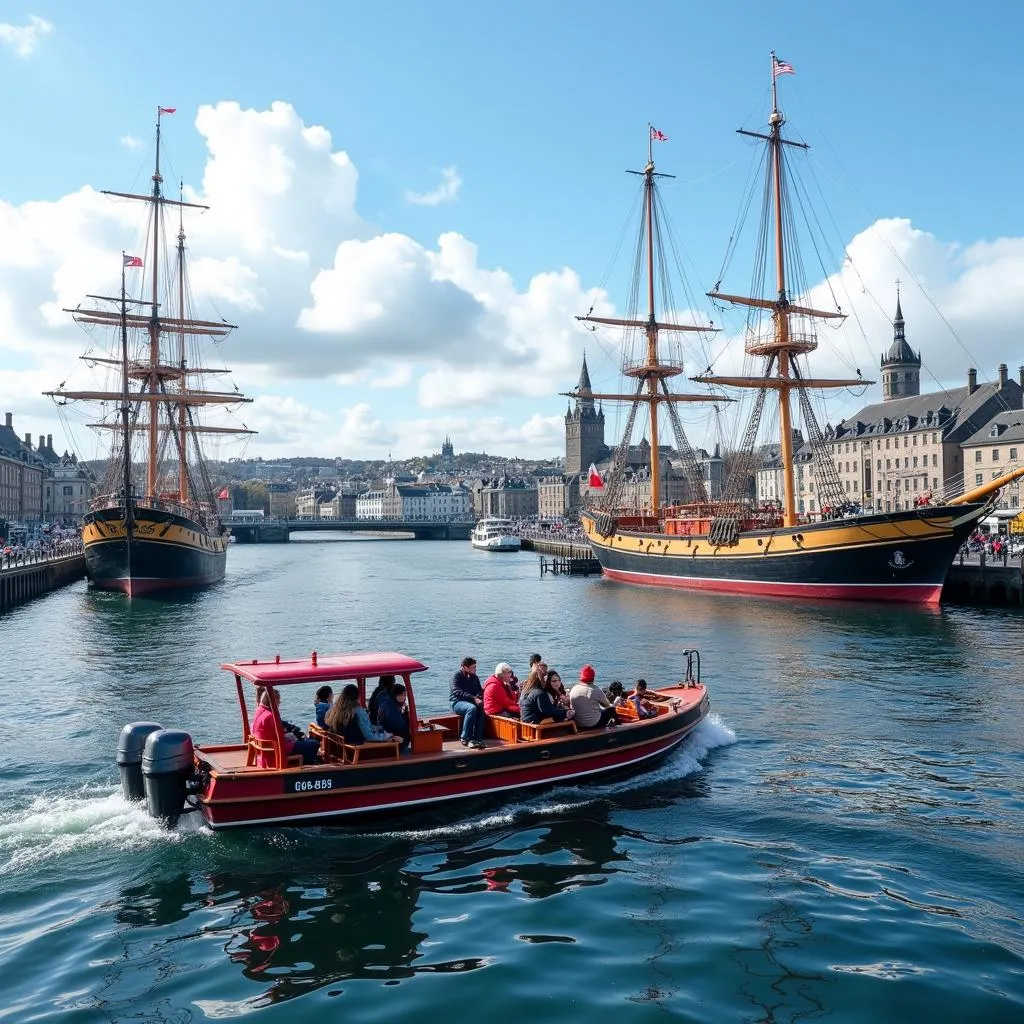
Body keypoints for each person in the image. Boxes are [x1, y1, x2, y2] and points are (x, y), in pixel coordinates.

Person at [252, 686, 321, 766]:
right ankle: (308, 767)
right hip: (278, 750)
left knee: (304, 742)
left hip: (268, 749)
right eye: (278, 700)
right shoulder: (270, 716)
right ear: (273, 701)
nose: (279, 703)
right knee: (313, 744)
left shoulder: (259, 710)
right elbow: (281, 736)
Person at [325, 683, 396, 746]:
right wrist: (388, 737)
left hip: (339, 747)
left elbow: (326, 722)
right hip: (356, 749)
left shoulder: (334, 709)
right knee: (394, 739)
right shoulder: (358, 711)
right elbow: (369, 736)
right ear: (357, 697)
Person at [450, 656, 486, 749]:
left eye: (475, 667)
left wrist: (479, 697)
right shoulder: (456, 676)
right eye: (473, 667)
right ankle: (465, 737)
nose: (475, 669)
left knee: (481, 708)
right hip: (457, 702)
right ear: (465, 667)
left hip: (471, 701)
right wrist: (474, 698)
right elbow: (457, 692)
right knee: (471, 708)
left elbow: (479, 691)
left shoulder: (475, 678)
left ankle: (477, 737)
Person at [570, 665, 618, 730]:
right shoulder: (595, 690)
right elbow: (607, 705)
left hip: (578, 724)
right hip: (594, 724)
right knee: (611, 709)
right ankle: (618, 726)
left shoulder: (573, 689)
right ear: (593, 678)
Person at [377, 682, 411, 747]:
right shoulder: (392, 707)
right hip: (391, 737)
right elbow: (399, 726)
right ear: (398, 696)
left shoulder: (386, 702)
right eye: (404, 695)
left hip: (385, 733)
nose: (405, 698)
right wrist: (406, 714)